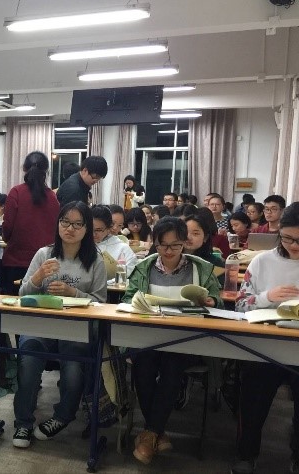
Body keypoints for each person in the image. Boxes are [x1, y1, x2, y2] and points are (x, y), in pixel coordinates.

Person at [122, 217, 222, 464]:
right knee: (143, 364)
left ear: (184, 243)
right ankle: (157, 432)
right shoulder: (144, 267)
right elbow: (126, 300)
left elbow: (218, 303)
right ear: (154, 243)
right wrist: (136, 304)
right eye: (162, 245)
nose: (168, 251)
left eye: (175, 245)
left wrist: (211, 302)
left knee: (172, 365)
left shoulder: (200, 269)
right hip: (149, 336)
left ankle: (149, 434)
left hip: (188, 339)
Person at [12, 201, 106, 447]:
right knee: (28, 359)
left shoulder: (95, 261)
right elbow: (22, 295)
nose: (70, 229)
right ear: (58, 224)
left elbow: (100, 302)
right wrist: (37, 277)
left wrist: (72, 292)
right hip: (41, 325)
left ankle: (63, 416)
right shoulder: (44, 254)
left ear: (87, 228)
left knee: (74, 366)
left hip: (76, 329)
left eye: (77, 224)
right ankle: (23, 423)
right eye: (65, 222)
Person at [232, 202, 299, 474]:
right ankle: (246, 455)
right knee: (253, 402)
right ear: (279, 232)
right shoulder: (262, 261)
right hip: (265, 345)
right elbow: (240, 304)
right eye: (288, 238)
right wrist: (266, 297)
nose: (294, 246)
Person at [1, 151, 61, 295]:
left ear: (24, 168)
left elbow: (7, 227)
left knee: (12, 305)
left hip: (15, 261)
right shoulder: (52, 197)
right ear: (46, 171)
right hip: (44, 264)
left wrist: (6, 238)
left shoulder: (16, 192)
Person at [91, 205, 137, 278]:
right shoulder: (81, 243)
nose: (115, 228)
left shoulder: (122, 248)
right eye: (91, 229)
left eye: (119, 225)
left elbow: (125, 274)